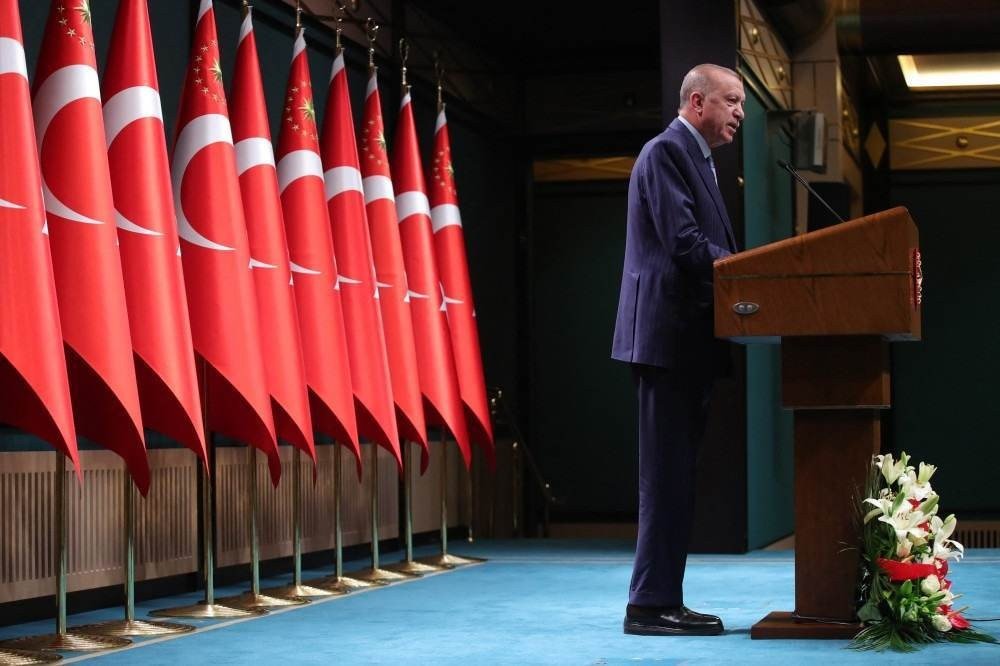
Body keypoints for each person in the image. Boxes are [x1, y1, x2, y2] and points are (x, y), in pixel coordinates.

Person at [611, 63, 744, 636]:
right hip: (666, 341)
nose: (740, 112)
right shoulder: (667, 151)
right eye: (731, 100)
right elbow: (685, 243)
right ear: (697, 102)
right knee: (664, 478)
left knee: (677, 479)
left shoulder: (700, 159)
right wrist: (750, 272)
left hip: (688, 343)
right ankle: (648, 605)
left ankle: (664, 597)